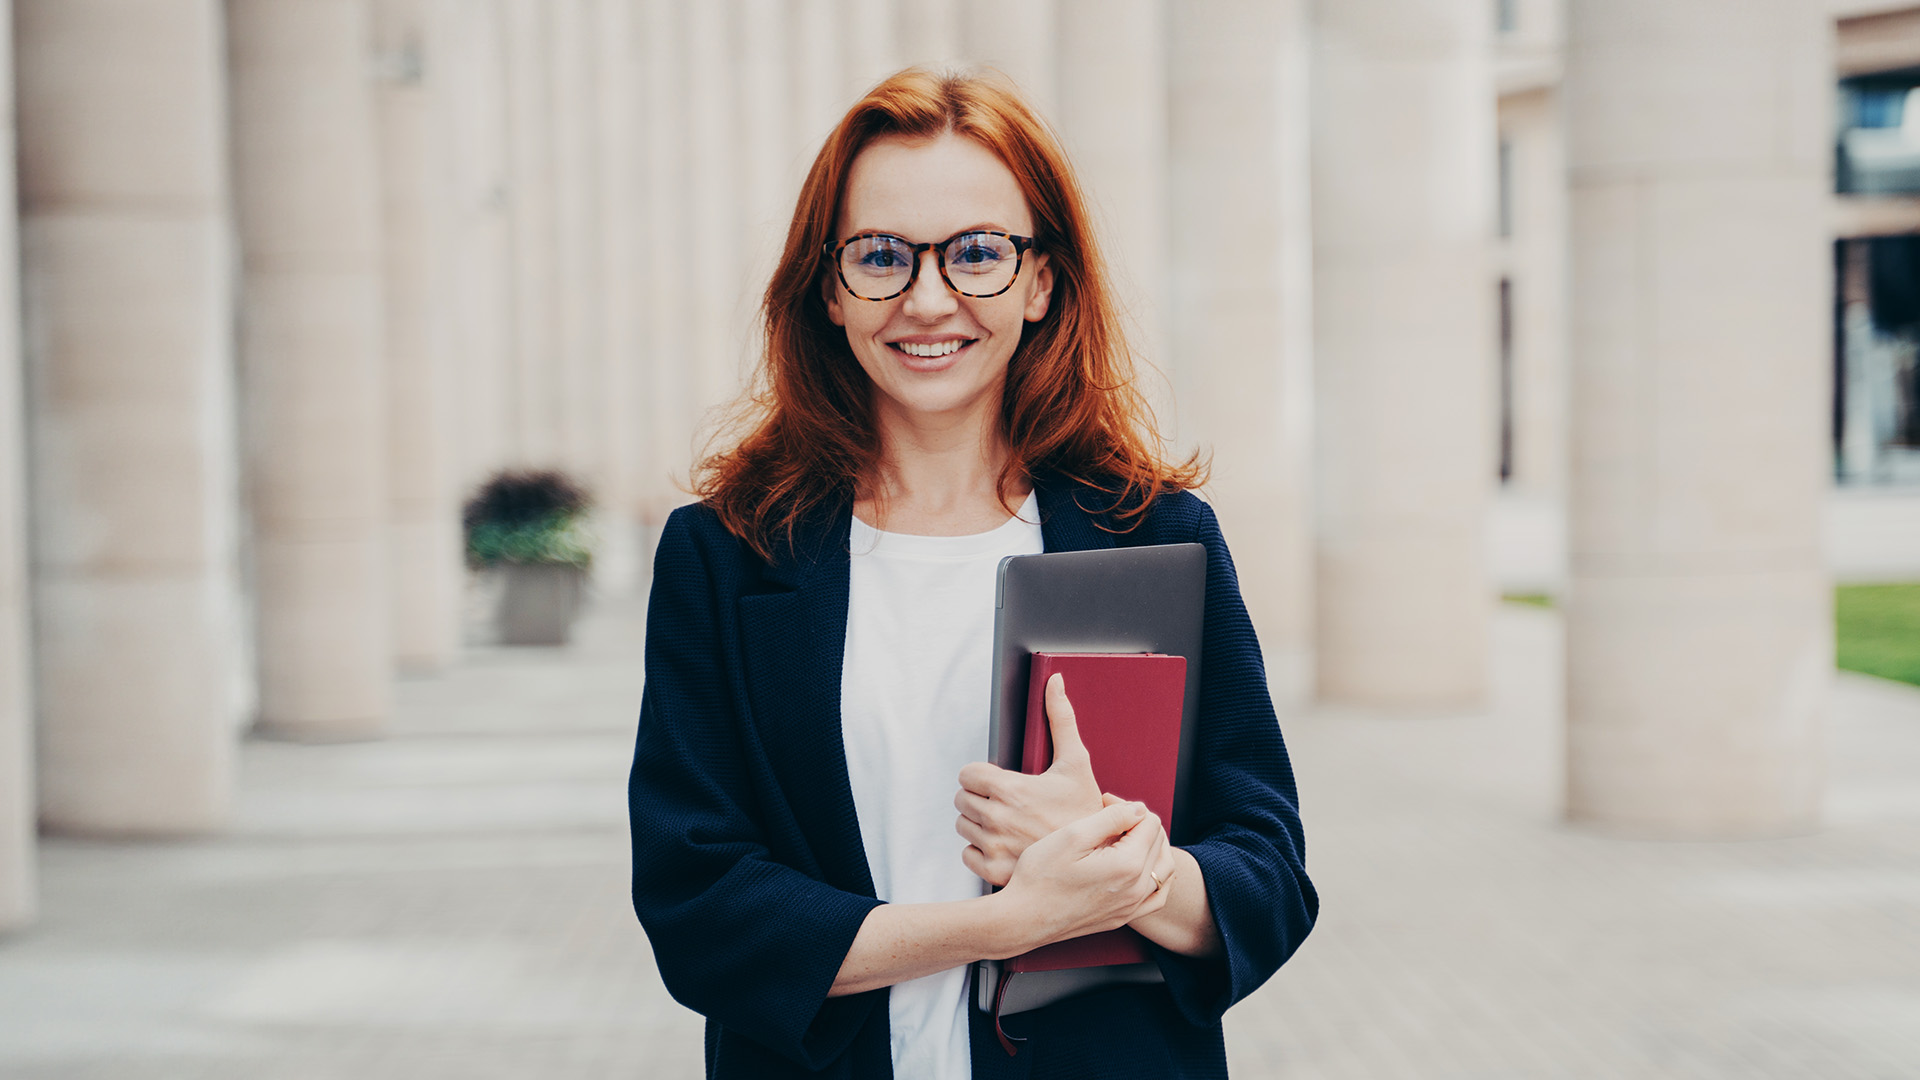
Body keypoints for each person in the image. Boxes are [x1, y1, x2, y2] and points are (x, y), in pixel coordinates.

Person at [629, 68, 1317, 1080]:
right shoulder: (726, 557)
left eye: (978, 253)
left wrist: (1124, 863)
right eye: (880, 256)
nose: (928, 298)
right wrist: (1005, 924)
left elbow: (1268, 878)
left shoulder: (1153, 537)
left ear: (1042, 282)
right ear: (829, 287)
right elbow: (700, 909)